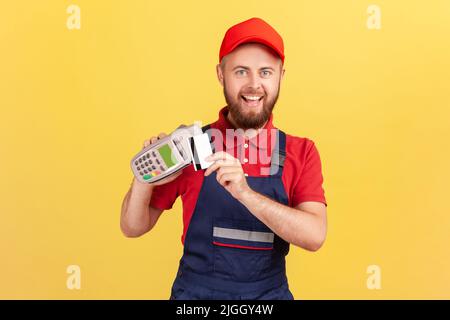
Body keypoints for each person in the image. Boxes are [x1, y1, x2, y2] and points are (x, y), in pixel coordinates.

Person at [120, 17, 328, 300]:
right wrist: (144, 179)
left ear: (281, 76)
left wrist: (245, 193)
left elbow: (314, 236)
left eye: (266, 72)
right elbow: (132, 227)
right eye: (241, 71)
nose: (254, 85)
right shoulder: (190, 146)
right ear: (221, 74)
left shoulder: (301, 151)